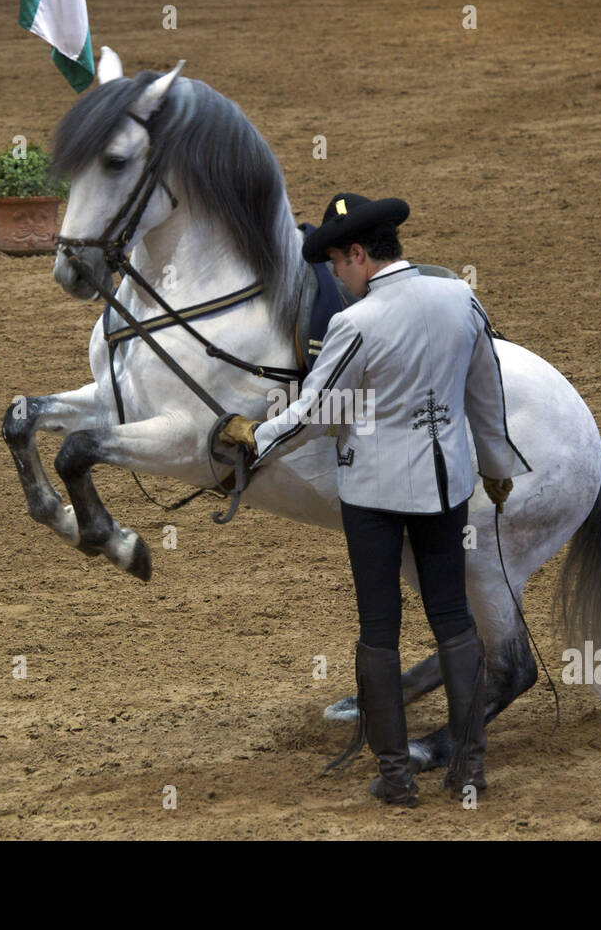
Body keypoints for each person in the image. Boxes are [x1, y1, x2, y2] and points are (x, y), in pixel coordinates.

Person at [217, 193, 531, 806]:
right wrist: (496, 468)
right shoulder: (459, 296)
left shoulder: (355, 324)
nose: (336, 275)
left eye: (337, 263)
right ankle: (468, 769)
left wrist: (256, 436)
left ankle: (396, 778)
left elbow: (315, 411)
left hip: (375, 494)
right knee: (454, 621)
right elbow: (486, 393)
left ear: (360, 254)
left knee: (379, 629)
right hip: (446, 487)